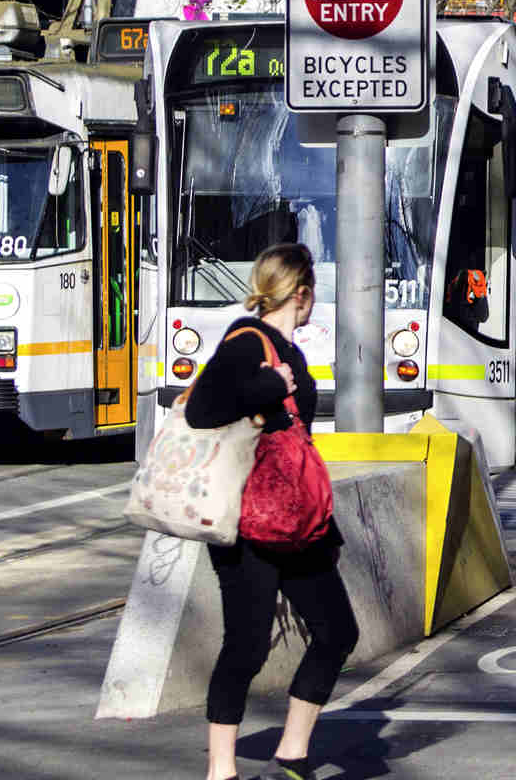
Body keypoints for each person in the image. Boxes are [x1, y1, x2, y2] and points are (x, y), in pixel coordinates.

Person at [187, 244, 358, 780]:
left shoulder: (291, 351)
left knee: (336, 631)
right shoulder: (245, 342)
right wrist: (270, 386)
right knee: (247, 643)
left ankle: (293, 752)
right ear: (302, 294)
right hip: (248, 521)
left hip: (298, 520)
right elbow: (202, 408)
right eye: (313, 296)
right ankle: (221, 770)